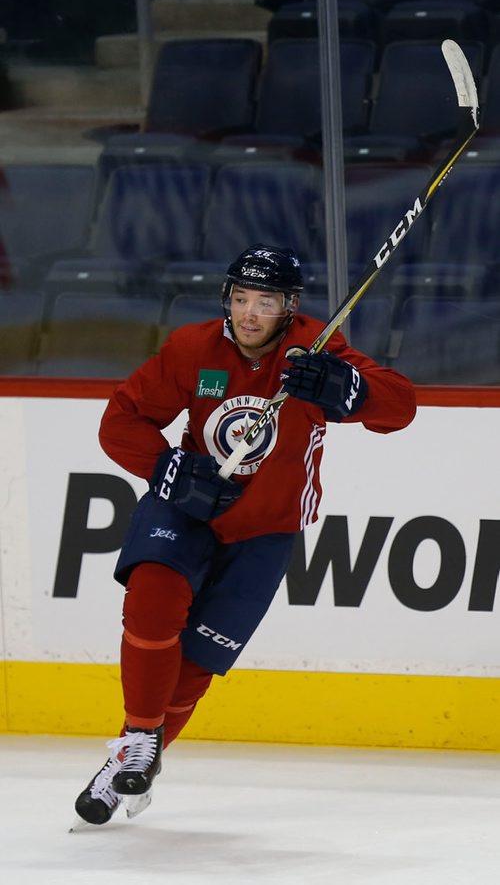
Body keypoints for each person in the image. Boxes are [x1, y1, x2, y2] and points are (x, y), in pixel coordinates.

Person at [74, 245, 416, 825]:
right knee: (152, 601)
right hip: (185, 509)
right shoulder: (192, 348)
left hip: (266, 527)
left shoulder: (316, 348)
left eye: (266, 302)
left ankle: (137, 758)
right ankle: (138, 739)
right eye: (241, 299)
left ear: (289, 307)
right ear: (226, 300)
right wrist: (168, 470)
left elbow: (400, 407)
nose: (251, 314)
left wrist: (348, 390)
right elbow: (121, 421)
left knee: (195, 665)